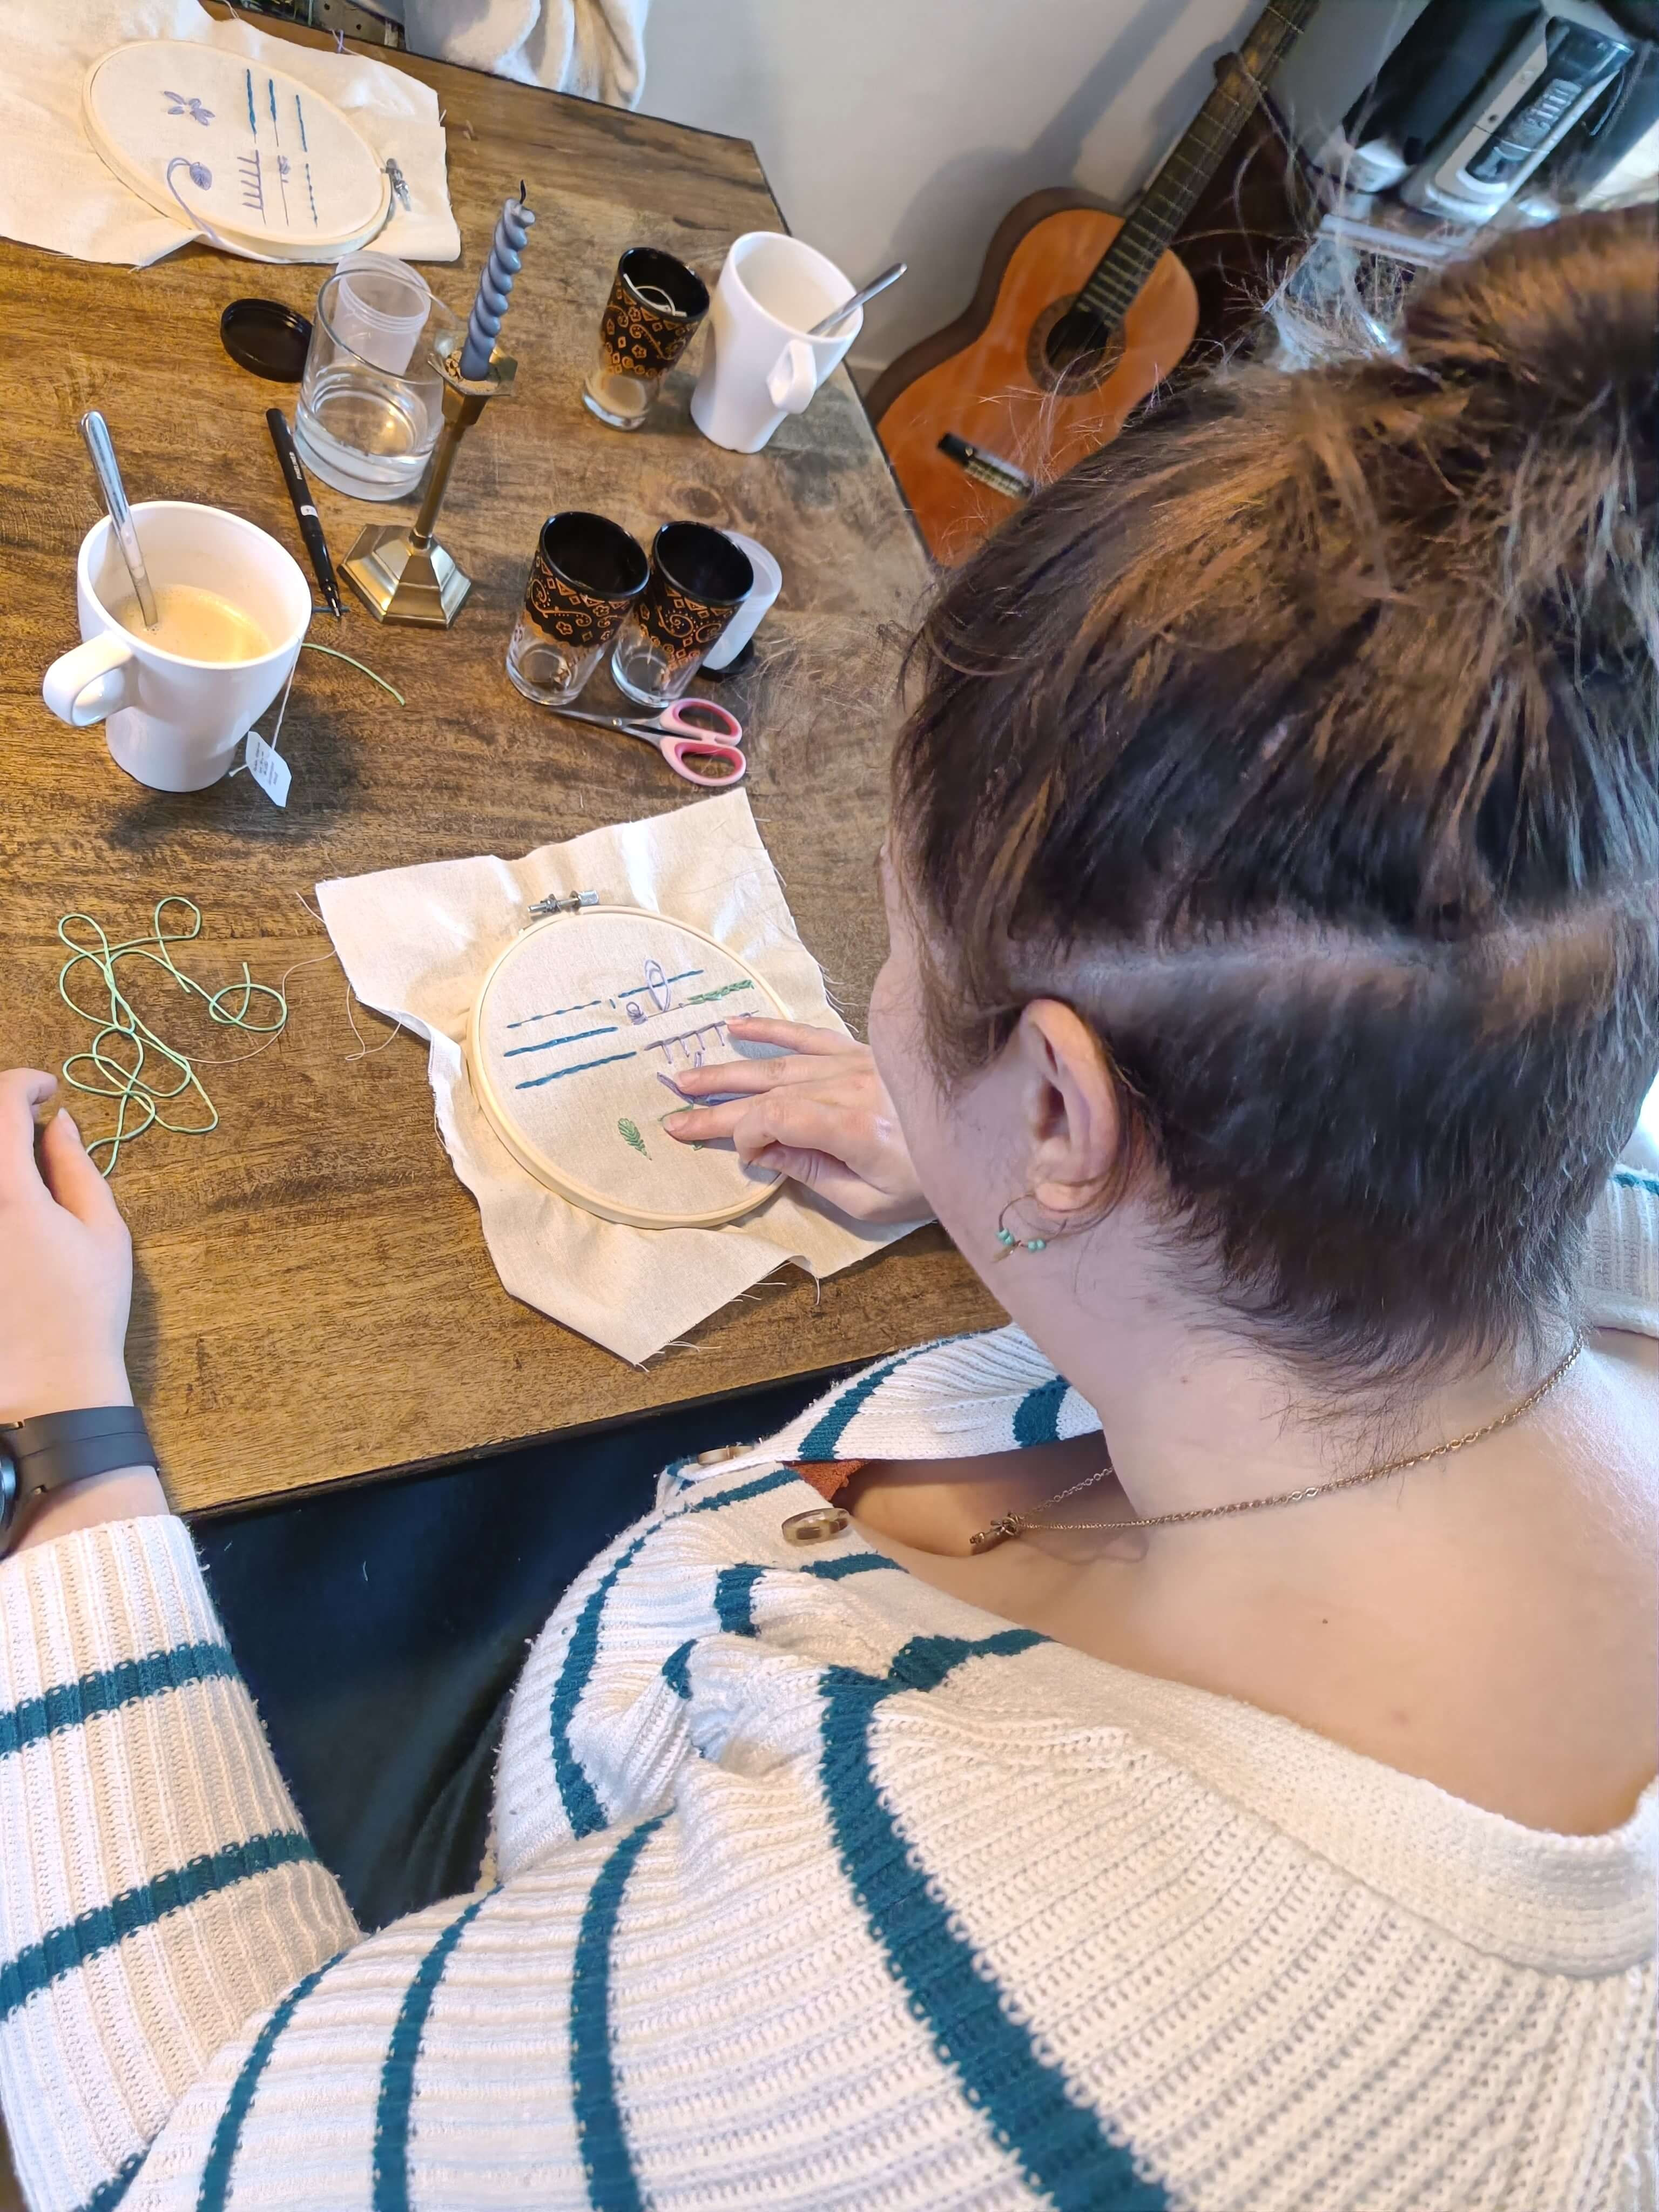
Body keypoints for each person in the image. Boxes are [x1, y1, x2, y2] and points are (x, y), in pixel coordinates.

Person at [1, 205, 1655, 2211]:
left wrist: (72, 1440)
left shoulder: (948, 1996)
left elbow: (167, 2159)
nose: (875, 1006)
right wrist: (1013, 1197)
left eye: (895, 943)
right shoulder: (1570, 1219)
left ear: (1068, 1100)